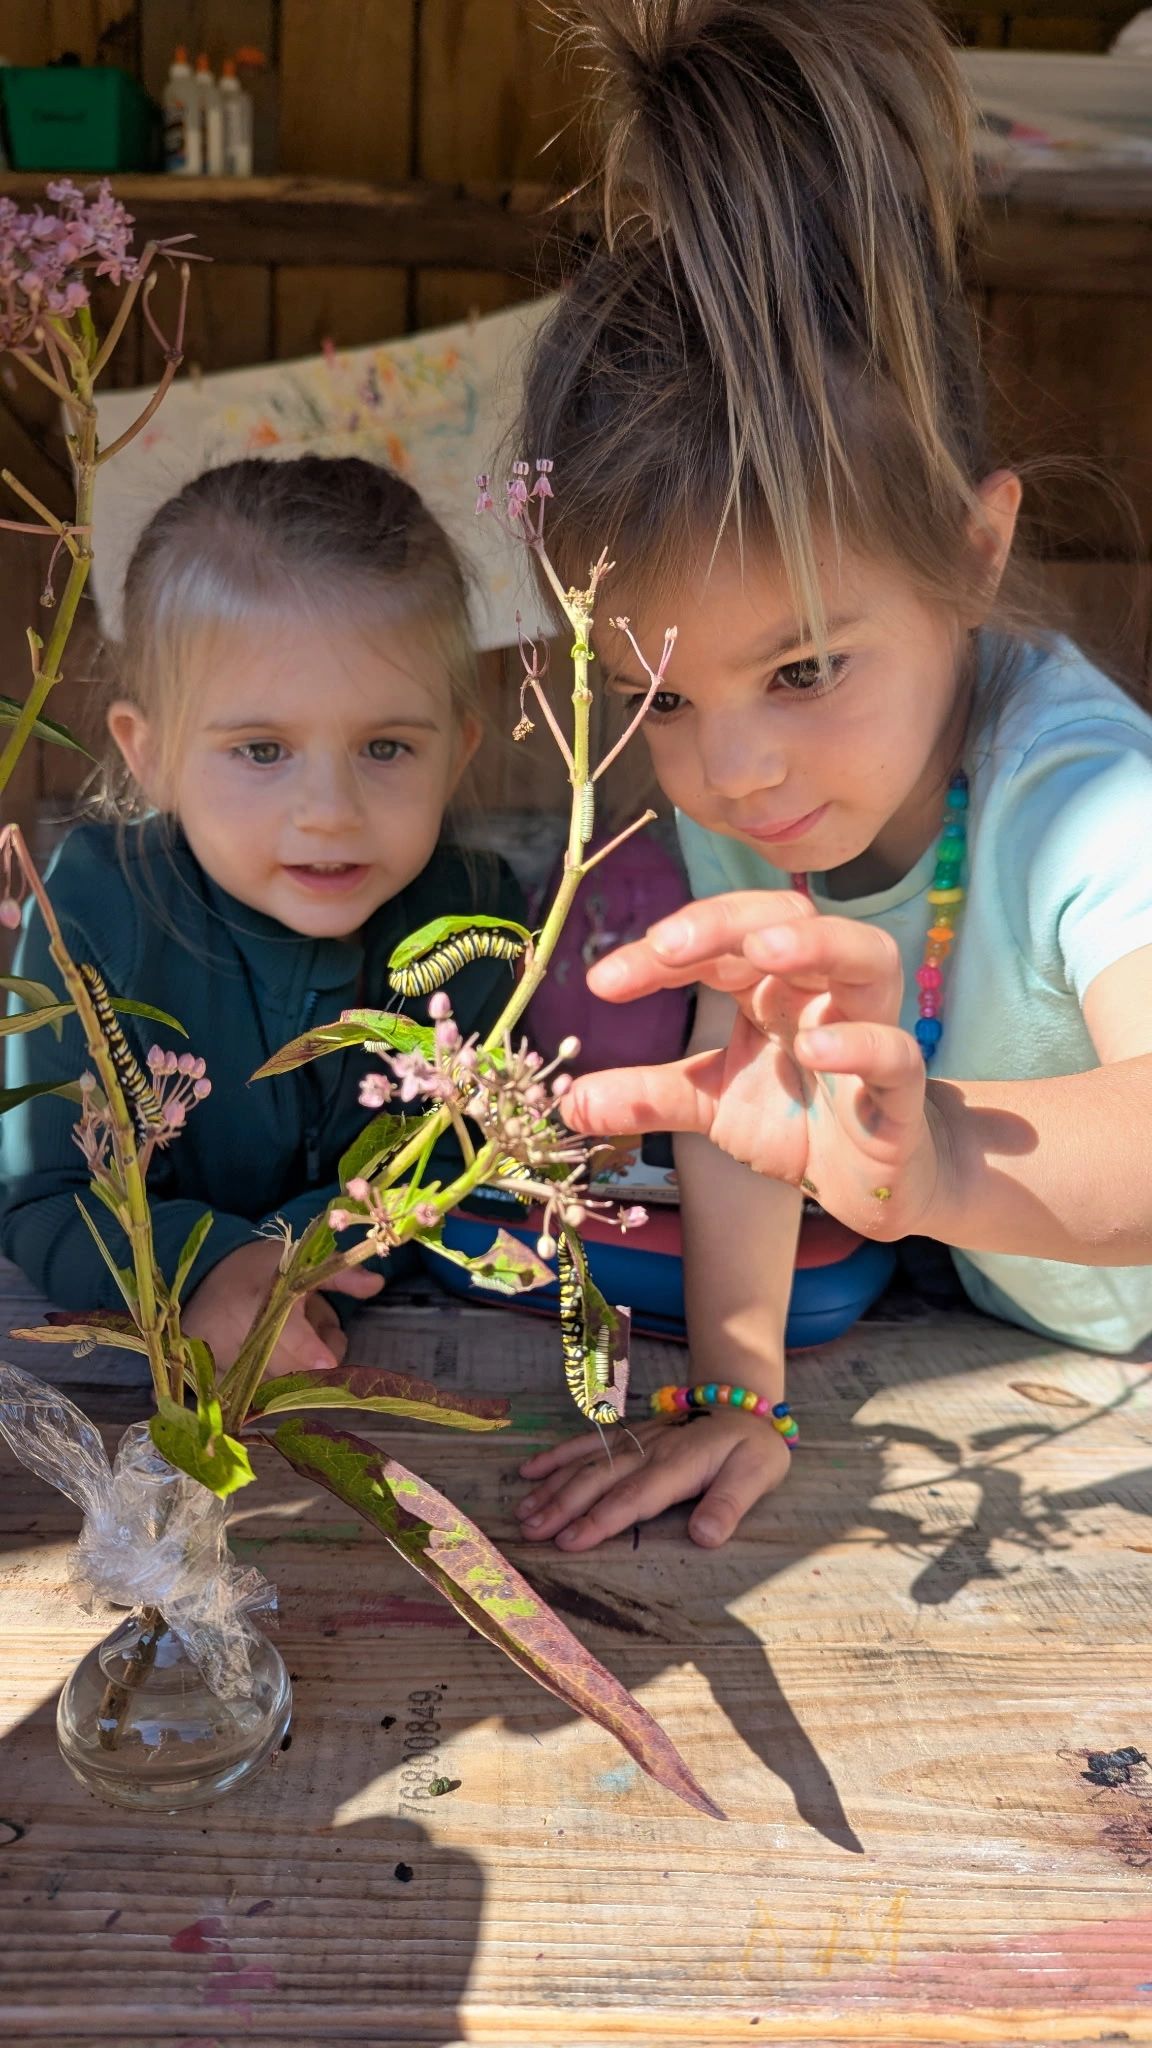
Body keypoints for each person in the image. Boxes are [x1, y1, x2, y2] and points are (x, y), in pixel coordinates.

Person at [510, 0, 1152, 1555]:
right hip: (1012, 1365)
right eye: (658, 695)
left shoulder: (1092, 802)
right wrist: (742, 1389)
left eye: (805, 670)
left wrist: (930, 1161)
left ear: (976, 552)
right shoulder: (760, 801)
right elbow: (756, 1089)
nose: (731, 766)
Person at [0, 455, 524, 1378]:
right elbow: (40, 1195)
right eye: (263, 749)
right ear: (150, 753)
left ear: (458, 751)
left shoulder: (479, 920)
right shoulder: (84, 907)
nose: (330, 808)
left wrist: (302, 1254)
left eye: (388, 746)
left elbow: (463, 1155)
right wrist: (212, 1261)